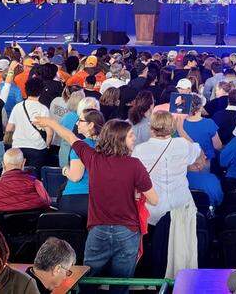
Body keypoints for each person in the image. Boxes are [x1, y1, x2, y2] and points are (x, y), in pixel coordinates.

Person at [33, 116, 158, 294]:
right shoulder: (135, 165)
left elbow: (70, 137)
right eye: (130, 135)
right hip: (128, 232)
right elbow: (154, 199)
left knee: (88, 281)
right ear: (119, 139)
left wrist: (50, 123)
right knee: (121, 284)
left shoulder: (93, 159)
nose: (135, 138)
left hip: (98, 230)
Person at [132, 110, 201, 225]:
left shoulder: (139, 150)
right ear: (172, 127)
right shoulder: (183, 144)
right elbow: (199, 151)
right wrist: (181, 129)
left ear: (151, 128)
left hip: (153, 210)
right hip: (181, 206)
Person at [0, 148, 52, 224]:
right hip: (33, 232)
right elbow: (47, 205)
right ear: (23, 162)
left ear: (3, 164)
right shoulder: (37, 185)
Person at [59, 109, 103, 217]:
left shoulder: (81, 146)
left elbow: (75, 177)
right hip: (100, 200)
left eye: (80, 120)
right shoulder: (107, 146)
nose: (77, 123)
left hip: (77, 198)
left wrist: (65, 170)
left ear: (91, 125)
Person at [7, 77, 52, 170]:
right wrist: (47, 145)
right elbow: (50, 132)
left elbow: (9, 128)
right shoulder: (43, 109)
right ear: (41, 91)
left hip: (18, 146)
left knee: (18, 175)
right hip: (37, 148)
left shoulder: (17, 107)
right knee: (34, 176)